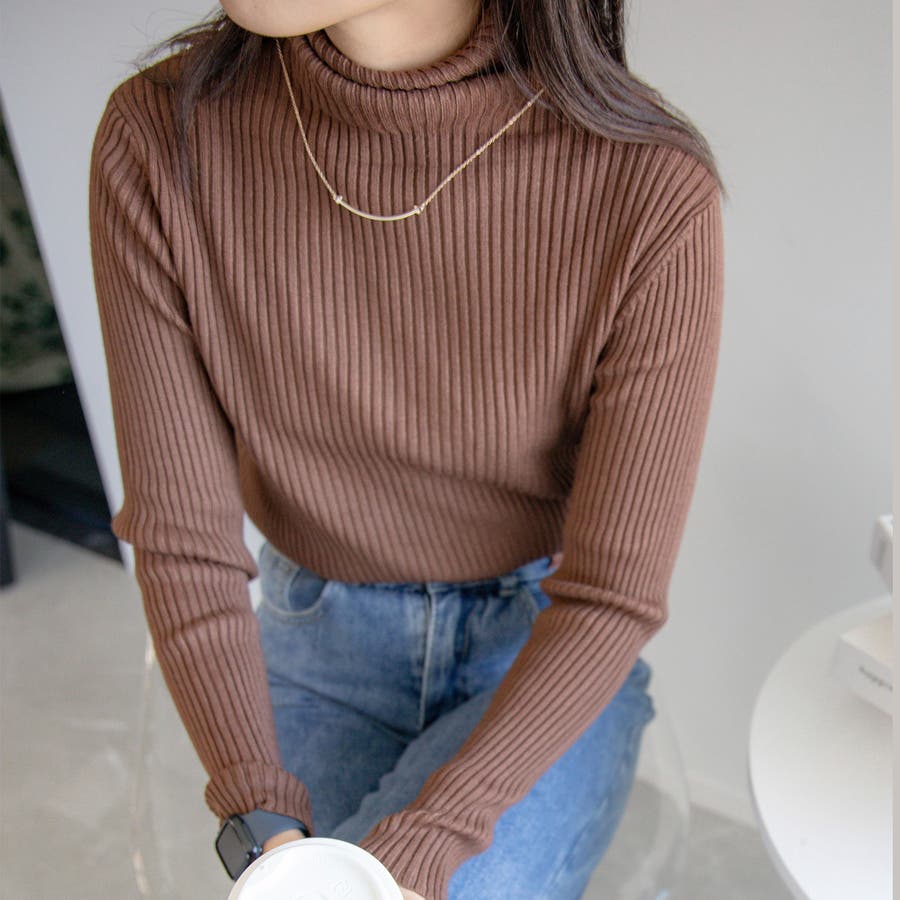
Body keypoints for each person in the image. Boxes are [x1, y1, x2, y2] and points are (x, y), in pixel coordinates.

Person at [88, 1, 726, 898]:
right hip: (318, 638)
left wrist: (428, 846)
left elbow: (609, 595)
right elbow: (182, 539)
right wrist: (257, 812)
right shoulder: (162, 137)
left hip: (539, 650)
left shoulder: (648, 186)